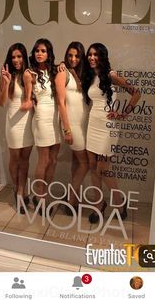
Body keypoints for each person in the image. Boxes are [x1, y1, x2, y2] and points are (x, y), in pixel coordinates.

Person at [84, 43, 141, 223]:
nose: (92, 58)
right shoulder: (91, 76)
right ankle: (99, 205)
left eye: (96, 55)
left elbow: (136, 93)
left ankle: (118, 201)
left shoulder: (111, 75)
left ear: (103, 57)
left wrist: (123, 113)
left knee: (104, 170)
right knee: (92, 167)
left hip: (108, 126)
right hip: (93, 123)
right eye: (90, 54)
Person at [21, 38, 60, 214]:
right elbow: (28, 98)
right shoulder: (29, 73)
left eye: (43, 51)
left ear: (49, 53)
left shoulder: (55, 70)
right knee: (43, 159)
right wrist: (28, 103)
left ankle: (46, 193)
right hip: (42, 117)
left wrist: (64, 66)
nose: (39, 54)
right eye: (37, 50)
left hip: (56, 117)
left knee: (53, 160)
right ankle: (39, 196)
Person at [0, 43, 34, 214]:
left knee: (25, 159)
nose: (16, 60)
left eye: (19, 56)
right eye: (13, 57)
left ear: (24, 57)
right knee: (15, 158)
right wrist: (6, 83)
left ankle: (22, 191)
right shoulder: (6, 76)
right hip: (13, 121)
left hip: (28, 121)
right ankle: (17, 189)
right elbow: (1, 102)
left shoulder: (29, 74)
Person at [55, 42, 89, 214]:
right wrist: (67, 128)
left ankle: (74, 200)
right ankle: (70, 199)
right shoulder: (63, 73)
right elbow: (61, 103)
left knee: (77, 162)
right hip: (72, 125)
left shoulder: (83, 73)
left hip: (83, 124)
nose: (73, 59)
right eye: (70, 55)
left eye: (76, 55)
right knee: (86, 163)